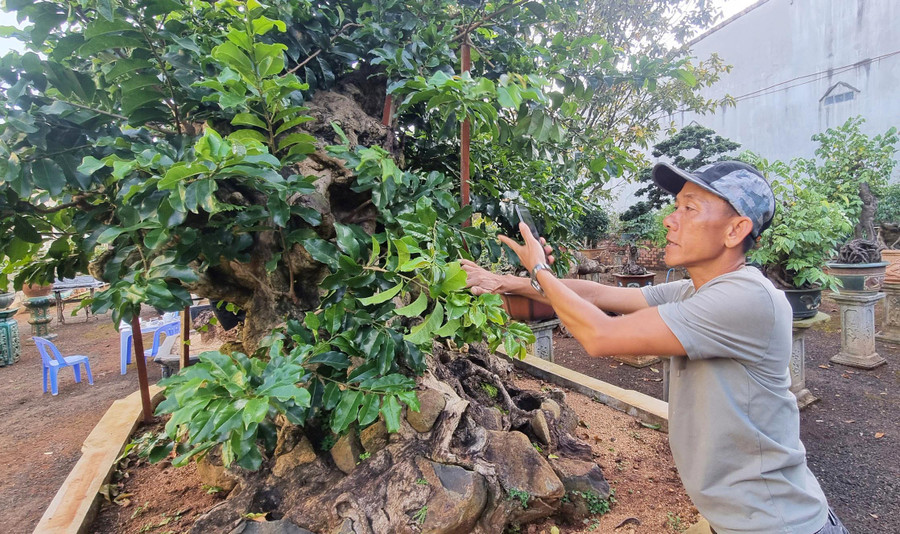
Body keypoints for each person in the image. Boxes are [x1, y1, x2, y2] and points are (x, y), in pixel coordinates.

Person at [462, 161, 849, 534]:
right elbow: (600, 293)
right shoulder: (693, 290)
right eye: (675, 206)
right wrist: (502, 281)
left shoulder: (746, 299)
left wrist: (540, 271)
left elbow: (601, 336)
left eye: (689, 208)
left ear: (736, 231)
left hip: (779, 524)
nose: (670, 219)